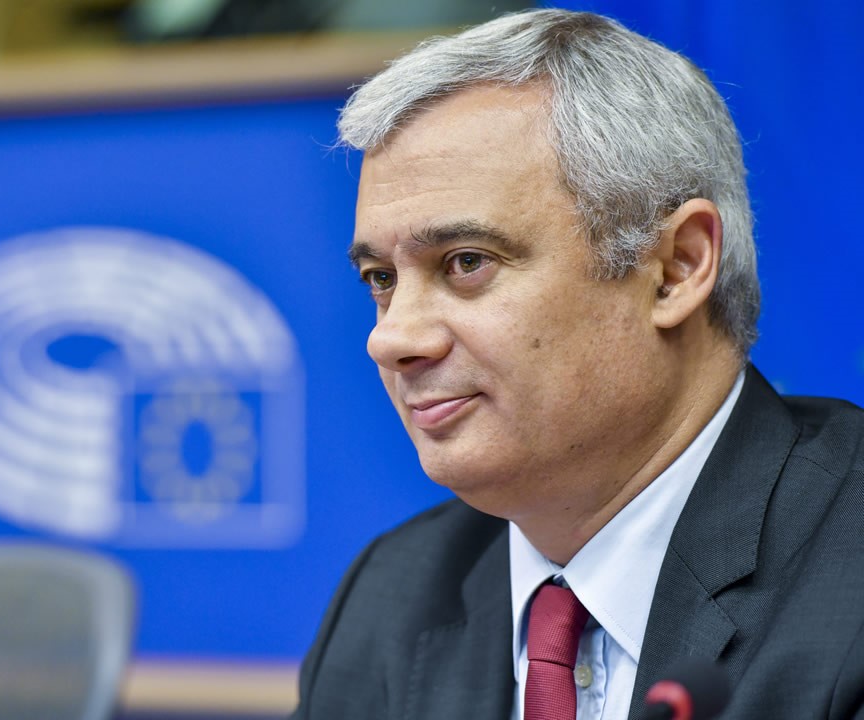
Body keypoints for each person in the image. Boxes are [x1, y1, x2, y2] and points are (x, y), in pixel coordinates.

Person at [291, 8, 864, 720]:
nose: (390, 339)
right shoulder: (391, 596)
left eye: (466, 262)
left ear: (676, 268)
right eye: (381, 279)